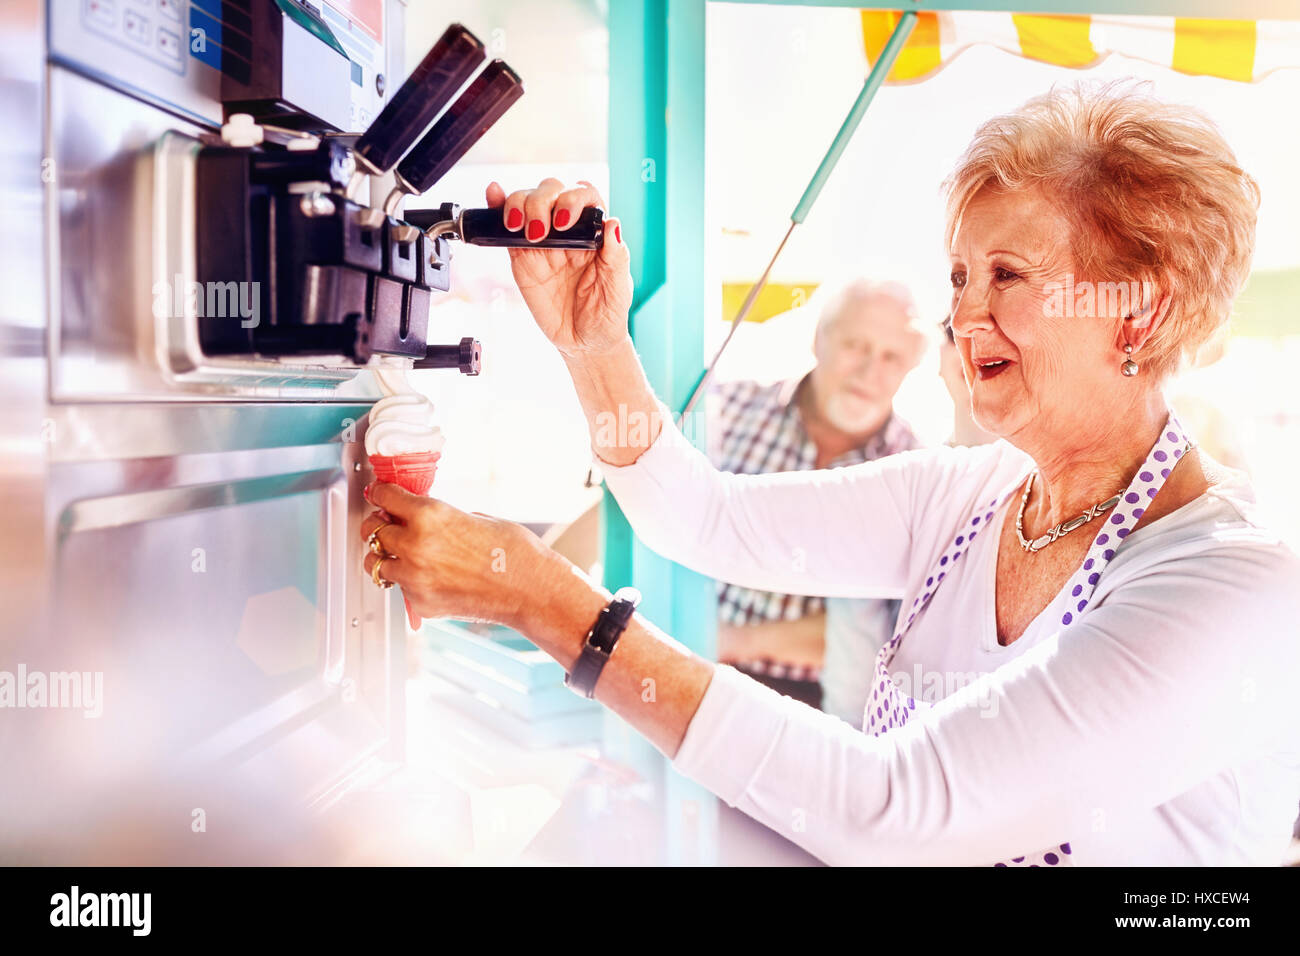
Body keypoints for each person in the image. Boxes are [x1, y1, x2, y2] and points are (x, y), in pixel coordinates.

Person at [360, 81, 1300, 865]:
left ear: (1136, 314)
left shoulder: (1237, 586)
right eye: (961, 277)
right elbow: (702, 520)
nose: (964, 317)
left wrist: (546, 603)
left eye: (1006, 274)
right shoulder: (968, 496)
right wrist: (594, 346)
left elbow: (900, 810)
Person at [707, 279, 924, 720]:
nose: (869, 371)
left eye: (891, 357)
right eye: (854, 345)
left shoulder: (915, 474)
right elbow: (636, 501)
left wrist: (732, 640)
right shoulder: (730, 407)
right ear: (818, 339)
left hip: (813, 708)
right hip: (687, 667)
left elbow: (889, 633)